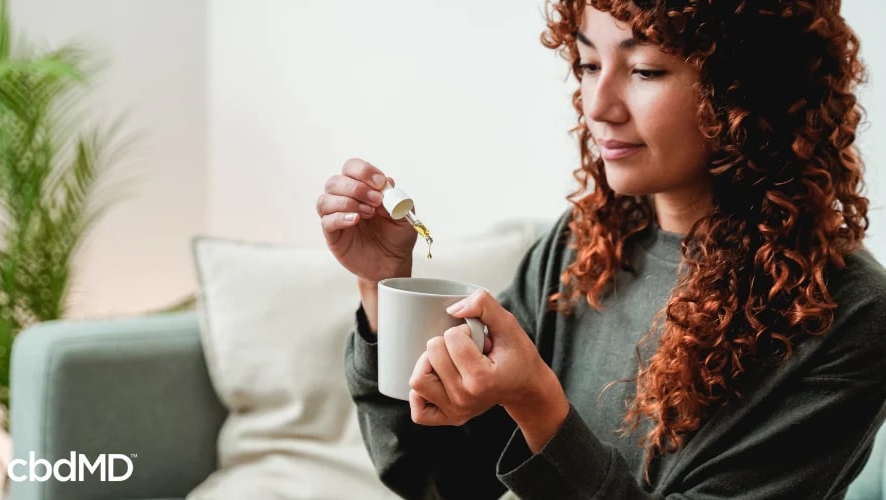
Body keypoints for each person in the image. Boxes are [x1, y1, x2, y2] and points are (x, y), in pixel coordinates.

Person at [316, 0, 886, 498]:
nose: (598, 104)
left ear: (748, 86)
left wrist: (540, 408)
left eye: (645, 69)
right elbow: (445, 481)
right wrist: (385, 285)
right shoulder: (581, 249)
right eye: (589, 64)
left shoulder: (846, 313)